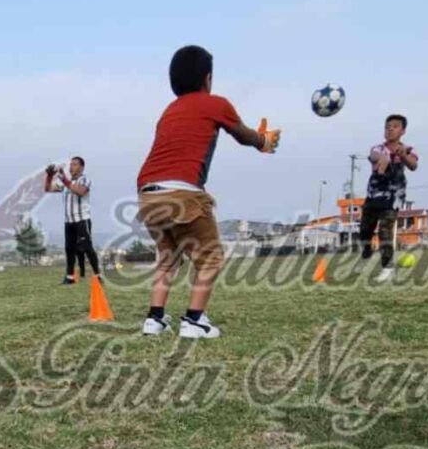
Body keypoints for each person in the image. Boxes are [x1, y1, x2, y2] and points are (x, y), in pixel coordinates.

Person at [135, 45, 280, 339]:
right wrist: (263, 140)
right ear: (208, 77)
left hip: (147, 192)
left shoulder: (169, 111)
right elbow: (242, 134)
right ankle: (193, 321)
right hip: (183, 191)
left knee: (168, 256)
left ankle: (155, 319)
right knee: (210, 258)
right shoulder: (215, 103)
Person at [359, 115, 418, 281]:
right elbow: (373, 156)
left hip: (393, 198)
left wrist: (403, 156)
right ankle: (366, 253)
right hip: (373, 196)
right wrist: (382, 158)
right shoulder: (378, 148)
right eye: (387, 126)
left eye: (395, 126)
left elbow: (413, 165)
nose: (390, 129)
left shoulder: (408, 150)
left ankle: (387, 267)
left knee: (385, 231)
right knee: (365, 230)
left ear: (403, 131)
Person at [44, 156, 101, 285]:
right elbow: (48, 189)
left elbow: (80, 192)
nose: (71, 167)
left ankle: (97, 275)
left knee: (87, 247)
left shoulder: (85, 179)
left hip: (82, 219)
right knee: (69, 249)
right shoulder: (65, 183)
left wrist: (65, 180)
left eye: (75, 164)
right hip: (69, 221)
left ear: (81, 167)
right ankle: (70, 277)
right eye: (70, 165)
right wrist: (49, 175)